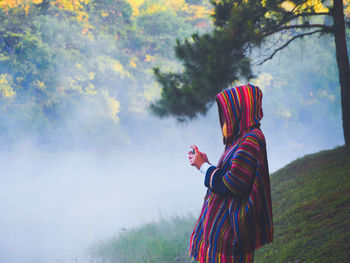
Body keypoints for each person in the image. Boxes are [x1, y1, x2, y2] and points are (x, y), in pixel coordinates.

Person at [188, 84, 274, 263]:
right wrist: (207, 163)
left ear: (240, 111)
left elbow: (234, 184)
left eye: (227, 113)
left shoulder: (250, 140)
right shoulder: (241, 138)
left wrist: (204, 167)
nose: (225, 121)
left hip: (230, 233)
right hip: (221, 231)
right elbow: (233, 175)